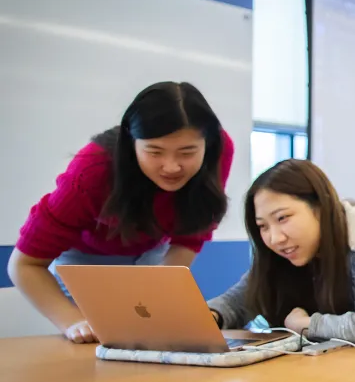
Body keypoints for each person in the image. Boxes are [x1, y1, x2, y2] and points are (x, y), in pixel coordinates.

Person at [8, 82, 234, 344]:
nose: (172, 167)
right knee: (95, 342)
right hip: (87, 258)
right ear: (131, 144)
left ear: (207, 144)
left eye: (188, 152)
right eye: (154, 152)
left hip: (154, 250)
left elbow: (193, 233)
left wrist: (161, 291)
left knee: (153, 336)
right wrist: (72, 322)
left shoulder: (219, 150)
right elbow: (24, 265)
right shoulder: (92, 170)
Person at [209, 159, 355, 346]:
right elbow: (237, 301)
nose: (275, 238)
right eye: (263, 226)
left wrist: (309, 325)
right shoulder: (282, 252)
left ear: (321, 206)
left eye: (282, 218)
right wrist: (210, 317)